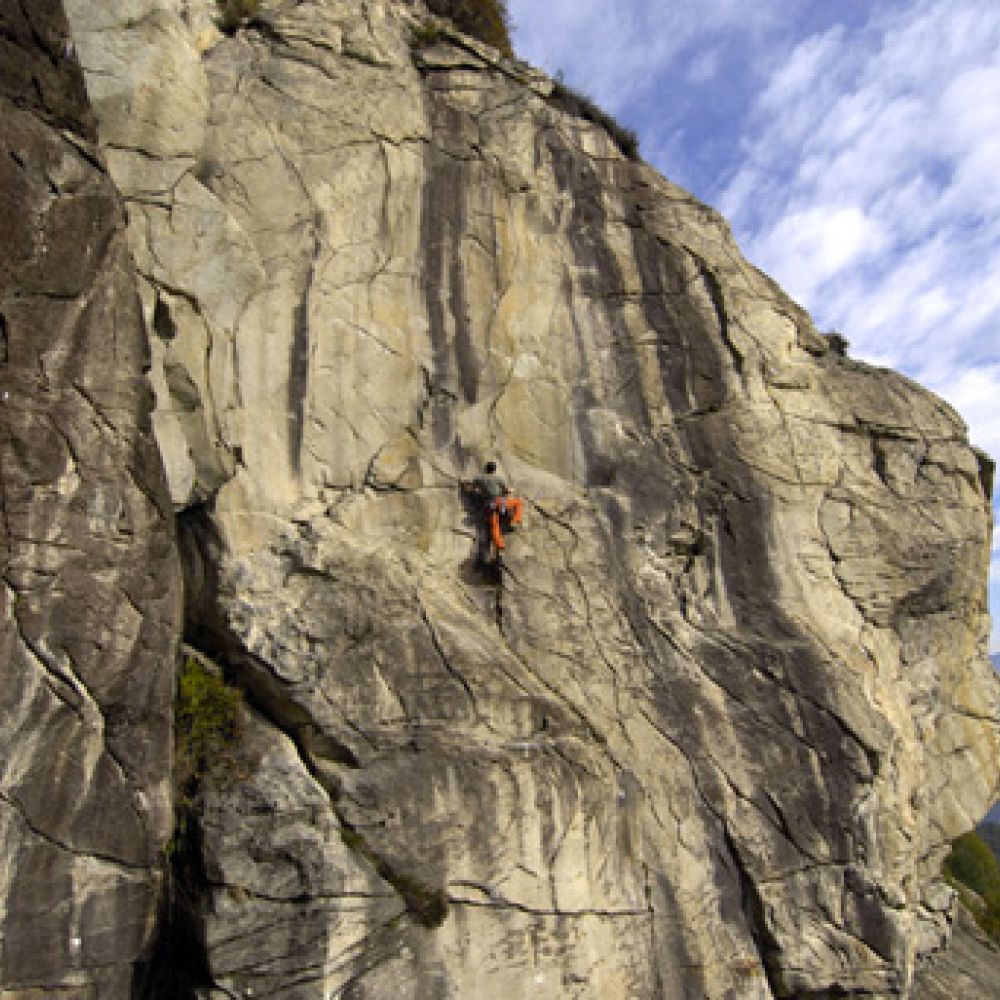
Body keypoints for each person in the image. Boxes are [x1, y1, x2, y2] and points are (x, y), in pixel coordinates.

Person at [462, 461, 523, 556]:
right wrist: (510, 490)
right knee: (518, 503)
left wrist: (464, 485)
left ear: (486, 468)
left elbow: (471, 488)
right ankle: (516, 519)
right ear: (494, 470)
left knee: (495, 526)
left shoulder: (479, 478)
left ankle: (500, 545)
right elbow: (506, 490)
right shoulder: (498, 478)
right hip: (501, 503)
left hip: (489, 505)